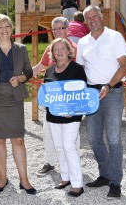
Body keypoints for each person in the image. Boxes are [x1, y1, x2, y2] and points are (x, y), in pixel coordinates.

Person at [0, 14, 36, 195]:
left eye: (7, 27)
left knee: (18, 139)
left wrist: (20, 78)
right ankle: (2, 178)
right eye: (0, 27)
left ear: (12, 29)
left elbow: (28, 71)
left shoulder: (21, 49)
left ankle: (24, 180)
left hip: (14, 98)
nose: (4, 30)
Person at [76, 5, 126, 200]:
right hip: (91, 94)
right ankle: (105, 174)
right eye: (88, 18)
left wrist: (108, 85)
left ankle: (116, 182)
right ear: (85, 21)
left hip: (112, 91)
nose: (92, 20)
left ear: (101, 16)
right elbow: (79, 71)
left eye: (94, 16)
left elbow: (125, 66)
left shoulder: (115, 37)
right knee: (93, 138)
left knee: (114, 138)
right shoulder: (82, 42)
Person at [32, 17, 78, 177]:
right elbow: (39, 67)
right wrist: (21, 76)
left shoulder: (75, 48)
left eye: (61, 28)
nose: (58, 31)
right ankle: (50, 162)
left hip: (70, 99)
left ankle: (74, 165)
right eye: (55, 29)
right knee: (48, 131)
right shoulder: (50, 49)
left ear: (67, 29)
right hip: (53, 98)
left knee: (72, 135)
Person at [43, 38, 87, 197]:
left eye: (62, 49)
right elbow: (46, 93)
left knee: (69, 146)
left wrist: (74, 110)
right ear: (52, 53)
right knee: (59, 146)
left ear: (69, 51)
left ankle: (77, 184)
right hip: (53, 115)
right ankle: (65, 177)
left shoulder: (77, 69)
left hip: (72, 116)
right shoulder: (49, 71)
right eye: (56, 50)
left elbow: (83, 92)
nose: (59, 52)